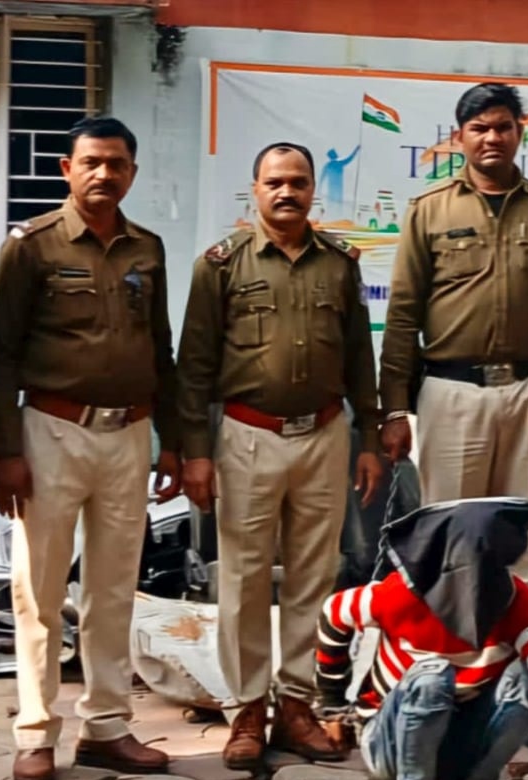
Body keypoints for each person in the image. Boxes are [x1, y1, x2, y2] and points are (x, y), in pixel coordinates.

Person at [0, 116, 181, 780]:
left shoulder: (147, 249)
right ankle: (36, 732)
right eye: (91, 162)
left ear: (132, 173)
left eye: (116, 164)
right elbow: (1, 354)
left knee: (113, 588)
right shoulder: (32, 245)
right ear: (67, 169)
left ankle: (106, 727)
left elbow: (161, 350)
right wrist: (5, 450)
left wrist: (173, 443)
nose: (104, 174)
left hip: (129, 435)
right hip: (51, 432)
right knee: (38, 590)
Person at [177, 141, 383, 771]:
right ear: (256, 189)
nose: (286, 192)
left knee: (312, 577)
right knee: (241, 579)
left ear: (313, 189)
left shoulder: (339, 265)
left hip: (324, 435)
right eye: (275, 182)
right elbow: (195, 366)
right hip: (247, 436)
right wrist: (195, 452)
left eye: (298, 182)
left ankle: (296, 706)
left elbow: (359, 357)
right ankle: (245, 709)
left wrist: (369, 438)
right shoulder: (220, 265)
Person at [377, 82, 528, 584]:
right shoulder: (429, 210)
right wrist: (393, 409)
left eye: (503, 127)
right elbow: (403, 315)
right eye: (479, 128)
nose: (492, 138)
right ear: (459, 136)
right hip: (452, 392)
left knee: (518, 530)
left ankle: (513, 631)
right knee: (450, 530)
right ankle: (451, 632)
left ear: (519, 133)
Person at [315, 498, 528, 780]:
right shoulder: (401, 594)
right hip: (391, 742)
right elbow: (333, 613)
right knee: (432, 678)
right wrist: (333, 708)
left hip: (464, 740)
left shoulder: (517, 603)